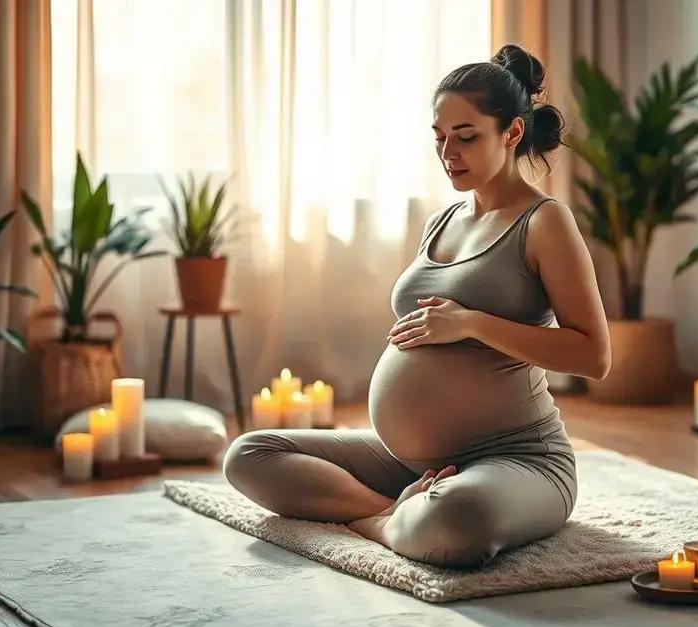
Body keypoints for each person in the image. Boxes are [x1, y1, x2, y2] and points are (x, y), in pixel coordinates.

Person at [222, 44, 610, 569]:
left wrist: (471, 323)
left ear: (513, 133)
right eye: (440, 138)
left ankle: (399, 518)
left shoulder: (545, 222)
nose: (449, 153)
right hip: (405, 460)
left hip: (518, 460)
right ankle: (388, 516)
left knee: (459, 518)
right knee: (249, 455)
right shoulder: (444, 220)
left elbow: (593, 356)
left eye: (467, 137)